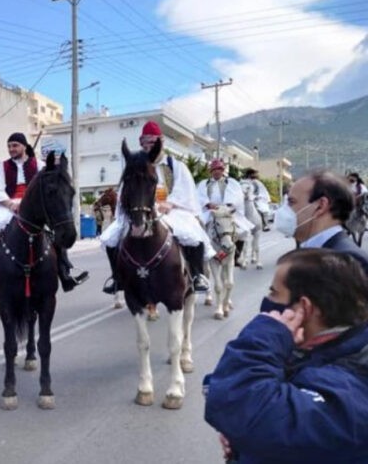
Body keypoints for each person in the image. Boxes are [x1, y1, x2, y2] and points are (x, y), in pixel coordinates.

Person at [204, 248, 368, 463]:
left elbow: (239, 400)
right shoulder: (316, 350)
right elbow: (225, 389)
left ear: (304, 307)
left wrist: (266, 335)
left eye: (274, 293)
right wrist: (243, 438)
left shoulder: (352, 383)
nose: (267, 300)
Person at [0, 132, 88, 292]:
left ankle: (65, 272)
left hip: (34, 208)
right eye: (9, 146)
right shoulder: (1, 167)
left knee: (53, 231)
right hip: (7, 205)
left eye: (15, 146)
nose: (11, 149)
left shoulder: (40, 166)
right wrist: (10, 204)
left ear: (24, 147)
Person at [100, 120, 214, 294]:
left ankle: (197, 275)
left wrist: (170, 203)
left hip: (173, 210)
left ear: (160, 143)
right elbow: (125, 190)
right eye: (145, 142)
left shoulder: (174, 165)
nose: (148, 146)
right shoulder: (135, 163)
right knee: (110, 237)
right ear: (141, 143)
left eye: (153, 143)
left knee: (192, 234)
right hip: (141, 210)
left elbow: (185, 189)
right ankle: (117, 277)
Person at [197, 158, 255, 262]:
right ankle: (203, 256)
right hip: (210, 212)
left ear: (222, 170)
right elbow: (198, 196)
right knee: (198, 231)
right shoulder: (204, 184)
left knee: (242, 231)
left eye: (219, 169)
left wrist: (227, 205)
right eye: (214, 169)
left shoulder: (231, 182)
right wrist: (208, 204)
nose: (216, 171)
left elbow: (237, 196)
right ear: (211, 171)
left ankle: (236, 254)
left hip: (226, 212)